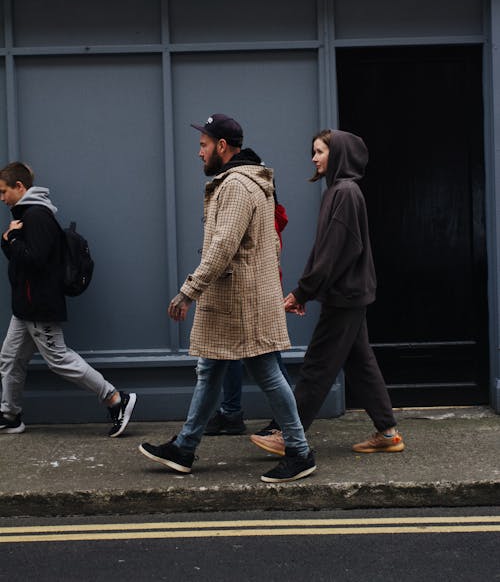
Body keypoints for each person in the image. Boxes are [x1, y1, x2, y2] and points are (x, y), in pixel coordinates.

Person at [139, 113, 316, 483]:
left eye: (203, 145)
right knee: (211, 370)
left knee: (266, 371)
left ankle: (299, 451)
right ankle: (185, 447)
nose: (198, 153)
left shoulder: (237, 184)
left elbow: (222, 247)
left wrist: (188, 291)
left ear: (222, 146)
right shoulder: (252, 181)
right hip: (239, 296)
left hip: (241, 300)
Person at [250, 129, 405, 457]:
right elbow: (326, 250)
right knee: (360, 361)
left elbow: (334, 252)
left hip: (344, 295)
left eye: (320, 151)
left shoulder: (345, 193)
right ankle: (388, 432)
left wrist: (304, 292)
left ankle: (289, 435)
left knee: (317, 365)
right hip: (347, 293)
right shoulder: (339, 192)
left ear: (339, 155)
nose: (314, 157)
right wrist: (309, 290)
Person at [0, 161, 136, 437]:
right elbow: (21, 261)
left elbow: (35, 260)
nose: (2, 198)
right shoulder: (27, 214)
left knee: (59, 358)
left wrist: (12, 239)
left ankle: (115, 399)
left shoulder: (37, 216)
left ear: (19, 187)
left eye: (4, 192)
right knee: (10, 358)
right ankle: (10, 415)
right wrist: (9, 241)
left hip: (38, 305)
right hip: (26, 305)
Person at [204, 163, 291, 437]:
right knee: (228, 355)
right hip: (245, 290)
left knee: (268, 357)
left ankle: (286, 423)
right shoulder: (264, 201)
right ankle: (231, 413)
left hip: (256, 293)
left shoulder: (258, 203)